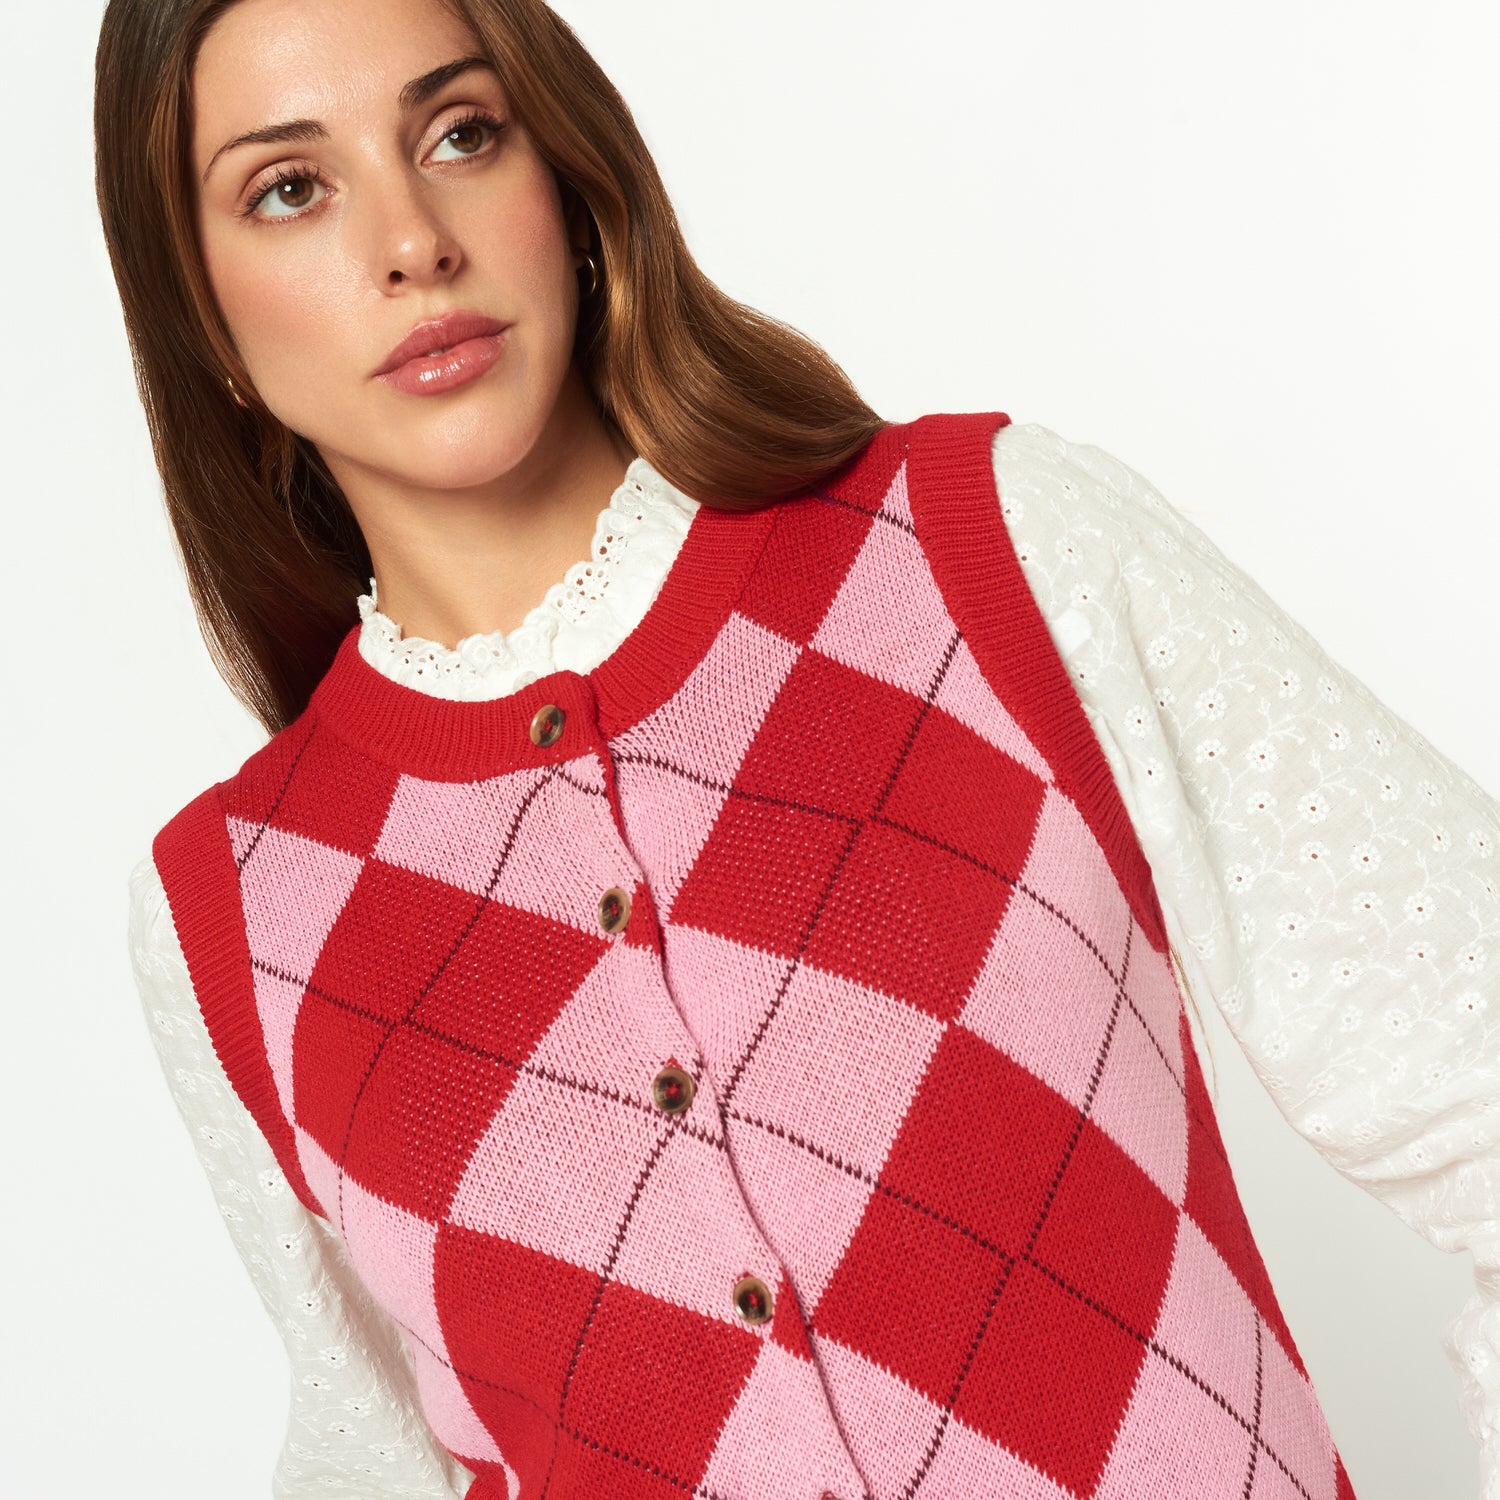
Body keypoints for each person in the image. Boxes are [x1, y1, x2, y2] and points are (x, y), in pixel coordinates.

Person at [98, 0, 1499, 1496]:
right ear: (205, 320)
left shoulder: (988, 553)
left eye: (460, 133)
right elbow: (369, 1457)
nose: (411, 241)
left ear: (565, 178)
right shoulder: (232, 917)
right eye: (289, 189)